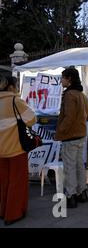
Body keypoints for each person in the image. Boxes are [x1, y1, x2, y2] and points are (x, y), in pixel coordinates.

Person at [0, 75, 36, 226]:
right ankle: (13, 214)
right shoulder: (16, 100)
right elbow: (32, 118)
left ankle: (3, 211)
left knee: (4, 182)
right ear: (11, 87)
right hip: (16, 149)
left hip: (1, 151)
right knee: (17, 182)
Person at [55, 67, 88, 209]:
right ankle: (82, 193)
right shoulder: (81, 94)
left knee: (70, 167)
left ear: (69, 78)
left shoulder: (69, 95)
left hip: (70, 135)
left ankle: (71, 196)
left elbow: (68, 117)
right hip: (80, 134)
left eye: (62, 78)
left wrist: (60, 131)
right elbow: (86, 114)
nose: (61, 80)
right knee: (79, 165)